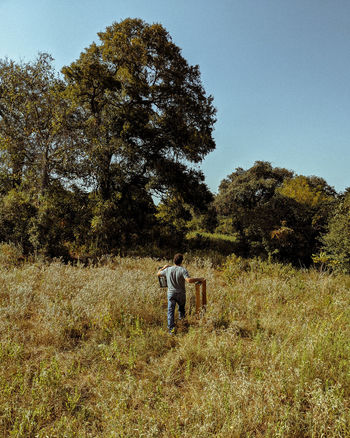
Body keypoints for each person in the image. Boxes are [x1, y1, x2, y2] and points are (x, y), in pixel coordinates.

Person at [157, 253, 205, 334]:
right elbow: (189, 280)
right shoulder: (183, 270)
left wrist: (163, 267)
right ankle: (182, 326)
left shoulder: (168, 269)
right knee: (181, 310)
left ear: (174, 260)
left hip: (171, 294)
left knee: (170, 311)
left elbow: (158, 274)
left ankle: (171, 330)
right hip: (181, 294)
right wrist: (199, 278)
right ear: (181, 261)